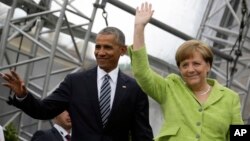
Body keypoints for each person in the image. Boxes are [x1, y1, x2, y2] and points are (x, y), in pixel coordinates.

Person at [0, 26, 153, 141]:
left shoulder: (134, 89)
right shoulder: (75, 82)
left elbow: (142, 135)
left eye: (107, 47)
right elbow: (43, 110)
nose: (100, 52)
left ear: (122, 50)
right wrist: (22, 95)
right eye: (97, 46)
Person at [128, 2, 244, 141]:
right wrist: (139, 28)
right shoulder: (170, 88)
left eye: (196, 63)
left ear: (208, 66)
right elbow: (142, 73)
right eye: (184, 65)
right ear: (180, 69)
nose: (190, 69)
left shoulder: (230, 98)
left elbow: (240, 135)